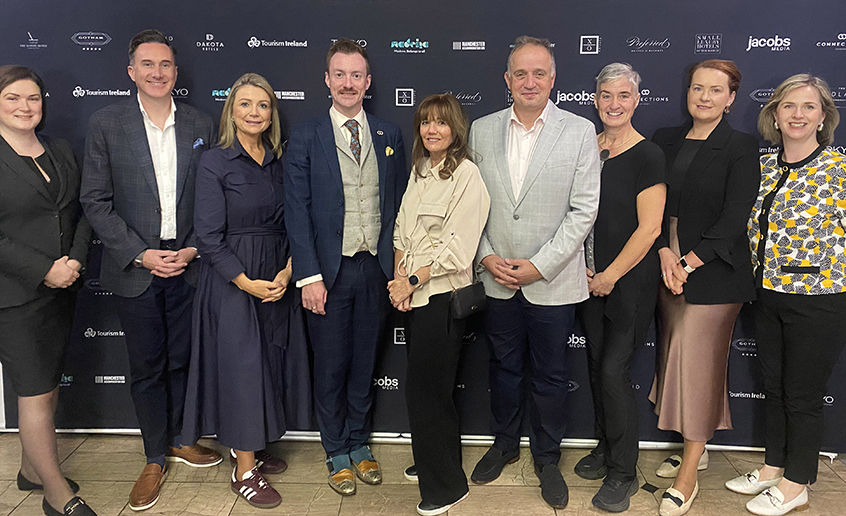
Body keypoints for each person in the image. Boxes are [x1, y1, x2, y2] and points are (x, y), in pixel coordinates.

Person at [80, 29, 222, 512]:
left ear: (176, 73)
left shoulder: (201, 122)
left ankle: (183, 440)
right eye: (147, 64)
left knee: (183, 358)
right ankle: (154, 455)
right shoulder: (106, 123)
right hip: (136, 265)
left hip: (187, 263)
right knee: (146, 365)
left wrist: (194, 250)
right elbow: (94, 201)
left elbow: (213, 199)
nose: (157, 72)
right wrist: (140, 253)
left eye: (164, 65)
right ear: (131, 71)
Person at [468, 35, 601, 510]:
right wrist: (485, 257)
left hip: (553, 282)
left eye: (539, 73)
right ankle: (504, 445)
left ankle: (547, 458)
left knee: (550, 375)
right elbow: (467, 205)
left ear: (553, 78)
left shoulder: (580, 131)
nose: (529, 81)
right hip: (495, 278)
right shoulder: (480, 130)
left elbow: (584, 211)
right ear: (506, 80)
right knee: (503, 369)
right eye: (520, 74)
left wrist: (539, 266)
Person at [285, 38, 407, 495]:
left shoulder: (388, 135)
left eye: (357, 75)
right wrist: (309, 277)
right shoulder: (306, 134)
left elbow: (396, 209)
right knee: (331, 365)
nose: (348, 83)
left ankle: (359, 443)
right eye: (340, 74)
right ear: (327, 80)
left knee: (364, 364)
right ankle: (335, 449)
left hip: (374, 269)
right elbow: (296, 210)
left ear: (368, 82)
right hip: (328, 275)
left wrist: (397, 270)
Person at [181, 73, 307, 508]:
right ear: (231, 112)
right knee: (242, 370)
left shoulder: (279, 160)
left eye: (263, 105)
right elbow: (208, 235)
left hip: (276, 275)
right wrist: (244, 281)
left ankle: (253, 445)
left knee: (270, 362)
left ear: (272, 113)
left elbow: (295, 221)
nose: (255, 113)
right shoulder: (215, 161)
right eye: (246, 105)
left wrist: (289, 271)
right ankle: (243, 471)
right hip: (234, 281)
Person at [726, 74, 845, 516]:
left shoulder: (839, 167)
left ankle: (798, 484)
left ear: (823, 117)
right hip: (767, 295)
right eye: (789, 106)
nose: (798, 114)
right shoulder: (763, 165)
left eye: (808, 107)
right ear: (774, 114)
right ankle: (774, 466)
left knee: (802, 394)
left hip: (820, 298)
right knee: (774, 389)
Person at [649, 59, 759, 516]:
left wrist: (688, 261)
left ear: (731, 98)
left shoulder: (740, 145)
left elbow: (736, 216)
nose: (705, 96)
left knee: (696, 366)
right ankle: (698, 446)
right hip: (664, 265)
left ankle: (689, 473)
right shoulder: (664, 139)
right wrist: (663, 253)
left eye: (716, 90)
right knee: (687, 363)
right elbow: (648, 202)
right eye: (698, 87)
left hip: (713, 273)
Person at [0, 65, 97, 516]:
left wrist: (74, 261)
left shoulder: (58, 149)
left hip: (62, 288)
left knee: (48, 385)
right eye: (13, 98)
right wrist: (44, 269)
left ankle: (31, 470)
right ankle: (57, 495)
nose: (25, 107)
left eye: (33, 98)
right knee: (35, 392)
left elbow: (79, 211)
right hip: (14, 295)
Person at [390, 93, 490, 516]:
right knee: (433, 389)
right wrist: (399, 279)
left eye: (441, 123)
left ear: (455, 130)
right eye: (426, 122)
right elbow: (401, 230)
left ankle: (446, 488)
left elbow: (458, 248)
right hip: (412, 294)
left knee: (425, 391)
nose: (432, 129)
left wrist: (410, 282)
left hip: (441, 297)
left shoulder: (467, 175)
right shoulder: (420, 171)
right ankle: (440, 460)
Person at [574, 63, 666, 513]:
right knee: (594, 367)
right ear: (595, 101)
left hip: (627, 283)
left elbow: (649, 230)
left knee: (613, 371)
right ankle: (606, 447)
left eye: (623, 96)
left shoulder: (648, 155)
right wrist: (590, 275)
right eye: (606, 95)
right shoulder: (586, 147)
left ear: (636, 100)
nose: (614, 104)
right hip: (586, 281)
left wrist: (610, 275)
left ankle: (624, 472)